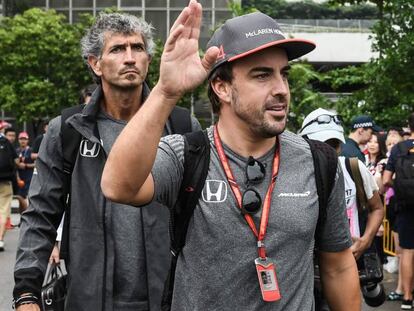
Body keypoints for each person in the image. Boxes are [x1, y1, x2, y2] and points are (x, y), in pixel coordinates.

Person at [102, 3, 360, 310]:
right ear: (222, 87)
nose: (281, 89)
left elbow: (338, 266)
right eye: (262, 76)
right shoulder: (188, 156)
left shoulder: (320, 162)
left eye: (283, 74)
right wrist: (166, 92)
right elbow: (118, 186)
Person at [13, 12, 200, 311]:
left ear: (150, 60)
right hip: (89, 297)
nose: (130, 58)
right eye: (117, 49)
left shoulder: (181, 126)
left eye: (138, 48)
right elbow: (40, 216)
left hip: (169, 297)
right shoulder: (68, 129)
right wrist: (26, 292)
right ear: (95, 63)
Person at [299, 108, 384, 309]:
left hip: (348, 265)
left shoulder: (352, 167)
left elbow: (377, 208)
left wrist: (365, 240)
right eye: (320, 144)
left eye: (334, 144)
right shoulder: (293, 175)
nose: (327, 151)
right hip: (307, 274)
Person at [383, 112, 414, 310]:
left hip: (406, 208)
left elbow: (386, 180)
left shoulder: (399, 149)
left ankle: (407, 298)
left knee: (407, 252)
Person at [0, 126, 19, 251]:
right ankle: (0, 239)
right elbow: (16, 161)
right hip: (5, 182)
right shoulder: (6, 142)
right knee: (3, 211)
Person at [16, 132, 35, 199]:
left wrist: (26, 165)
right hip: (19, 177)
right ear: (18, 140)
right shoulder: (16, 151)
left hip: (29, 176)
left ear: (28, 140)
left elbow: (37, 164)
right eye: (21, 139)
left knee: (28, 196)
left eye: (25, 139)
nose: (23, 141)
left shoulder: (32, 151)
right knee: (19, 196)